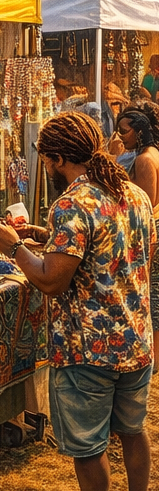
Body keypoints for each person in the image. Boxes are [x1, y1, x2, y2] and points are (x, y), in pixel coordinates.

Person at [0, 111, 155, 491]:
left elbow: (51, 280)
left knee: (88, 447)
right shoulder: (134, 194)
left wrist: (13, 246)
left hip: (90, 350)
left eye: (47, 160)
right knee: (133, 431)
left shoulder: (72, 204)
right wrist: (47, 236)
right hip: (135, 338)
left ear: (59, 159)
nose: (47, 166)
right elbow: (114, 250)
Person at [111, 102, 159, 371]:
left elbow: (145, 203)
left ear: (139, 132)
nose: (120, 137)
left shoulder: (143, 159)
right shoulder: (152, 153)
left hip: (152, 230)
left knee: (152, 297)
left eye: (124, 132)